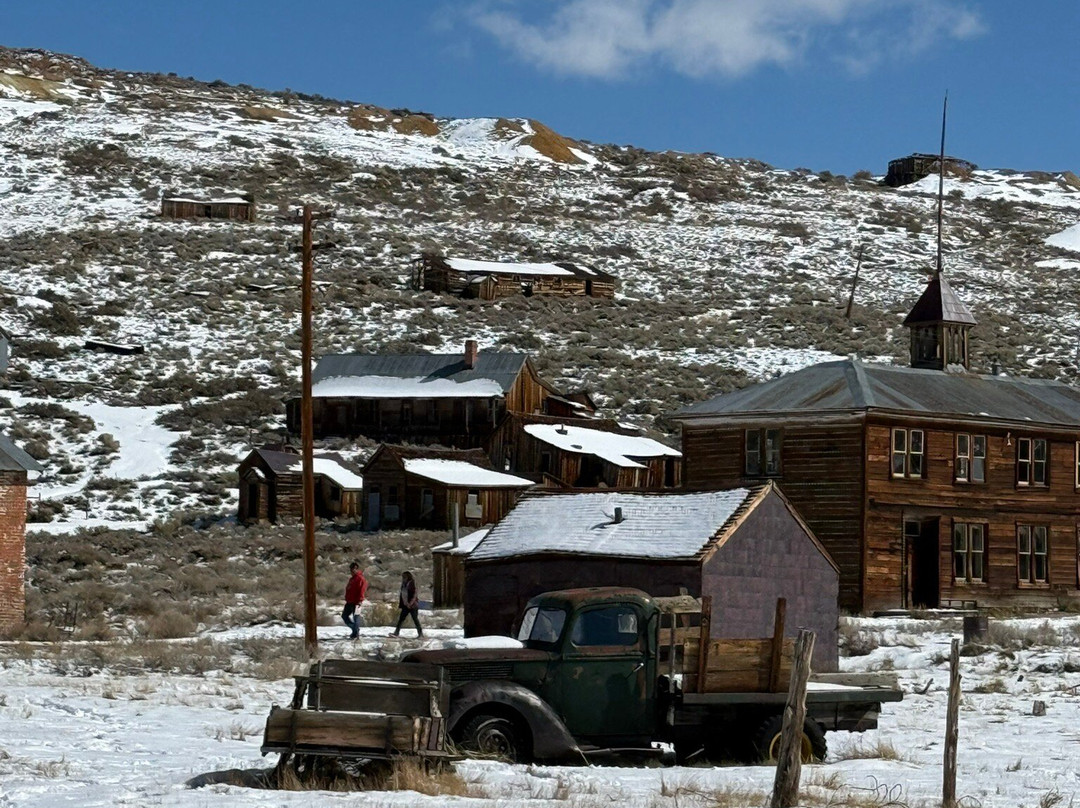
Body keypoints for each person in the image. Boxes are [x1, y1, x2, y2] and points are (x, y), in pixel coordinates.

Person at [391, 571, 422, 638]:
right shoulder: (404, 584)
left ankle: (420, 634)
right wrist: (404, 603)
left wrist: (410, 603)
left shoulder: (412, 583)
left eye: (404, 576)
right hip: (405, 605)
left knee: (415, 619)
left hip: (412, 605)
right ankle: (396, 633)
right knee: (401, 619)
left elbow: (414, 594)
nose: (403, 578)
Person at [342, 561, 368, 640]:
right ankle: (355, 629)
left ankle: (355, 633)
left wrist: (360, 600)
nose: (352, 571)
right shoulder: (351, 579)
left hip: (357, 602)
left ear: (356, 569)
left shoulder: (360, 579)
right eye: (351, 570)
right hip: (349, 602)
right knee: (344, 616)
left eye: (353, 569)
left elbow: (362, 590)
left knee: (356, 618)